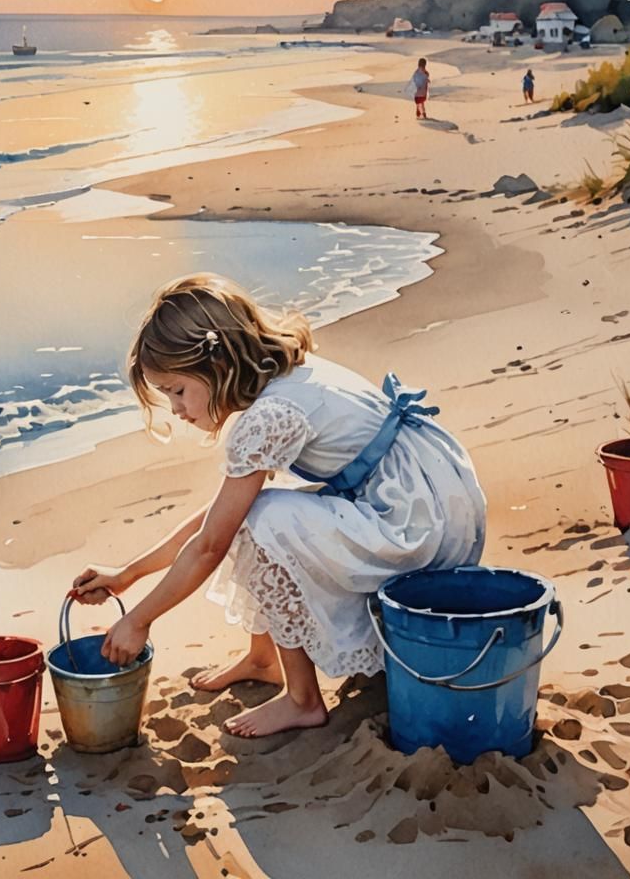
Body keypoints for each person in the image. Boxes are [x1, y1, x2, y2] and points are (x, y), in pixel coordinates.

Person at [70, 274, 487, 738]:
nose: (175, 408)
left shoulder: (270, 417)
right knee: (253, 516)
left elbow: (212, 543)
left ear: (218, 363)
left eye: (177, 389)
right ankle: (263, 658)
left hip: (419, 525)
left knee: (259, 523)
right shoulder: (289, 374)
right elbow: (217, 517)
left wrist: (138, 620)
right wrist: (128, 574)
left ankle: (302, 699)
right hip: (431, 499)